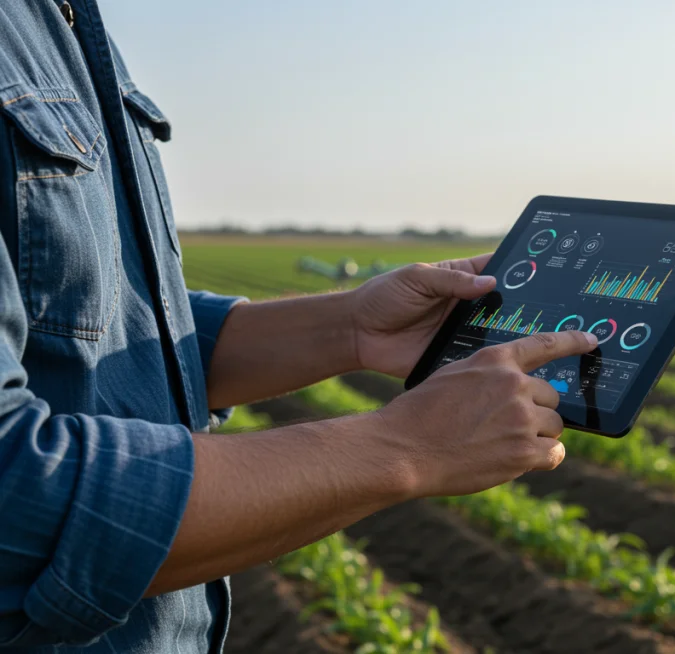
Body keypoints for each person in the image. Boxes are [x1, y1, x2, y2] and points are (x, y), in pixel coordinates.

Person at [0, 2, 597, 651]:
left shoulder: (65, 19)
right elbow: (13, 494)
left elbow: (103, 327)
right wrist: (404, 447)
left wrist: (349, 328)